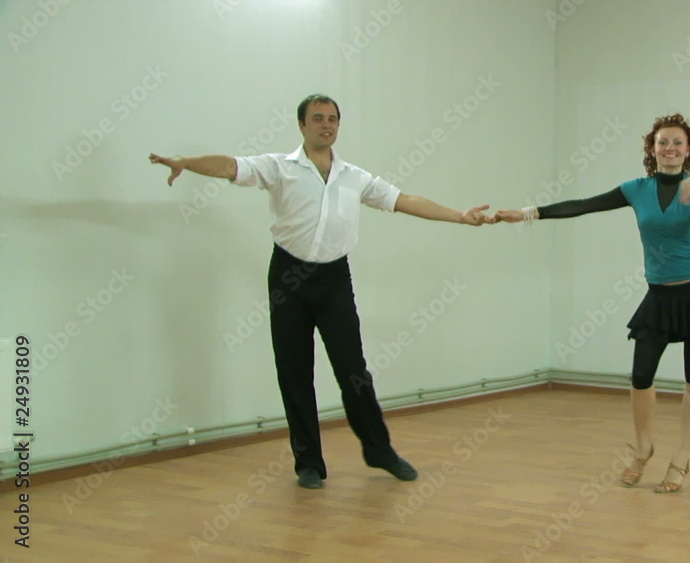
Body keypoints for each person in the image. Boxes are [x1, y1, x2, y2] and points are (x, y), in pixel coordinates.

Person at [149, 93, 495, 489]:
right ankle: (309, 463)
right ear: (302, 125)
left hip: (334, 280)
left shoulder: (354, 177)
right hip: (288, 278)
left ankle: (379, 449)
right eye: (317, 118)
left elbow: (404, 200)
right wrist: (187, 163)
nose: (325, 124)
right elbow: (230, 166)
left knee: (353, 370)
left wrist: (459, 216)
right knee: (294, 371)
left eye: (332, 118)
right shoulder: (280, 167)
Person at [493, 113, 690, 493]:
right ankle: (643, 448)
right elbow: (584, 205)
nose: (669, 148)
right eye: (662, 142)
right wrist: (527, 213)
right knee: (641, 376)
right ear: (652, 148)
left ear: (688, 149)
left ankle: (681, 458)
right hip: (661, 294)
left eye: (677, 142)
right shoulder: (636, 190)